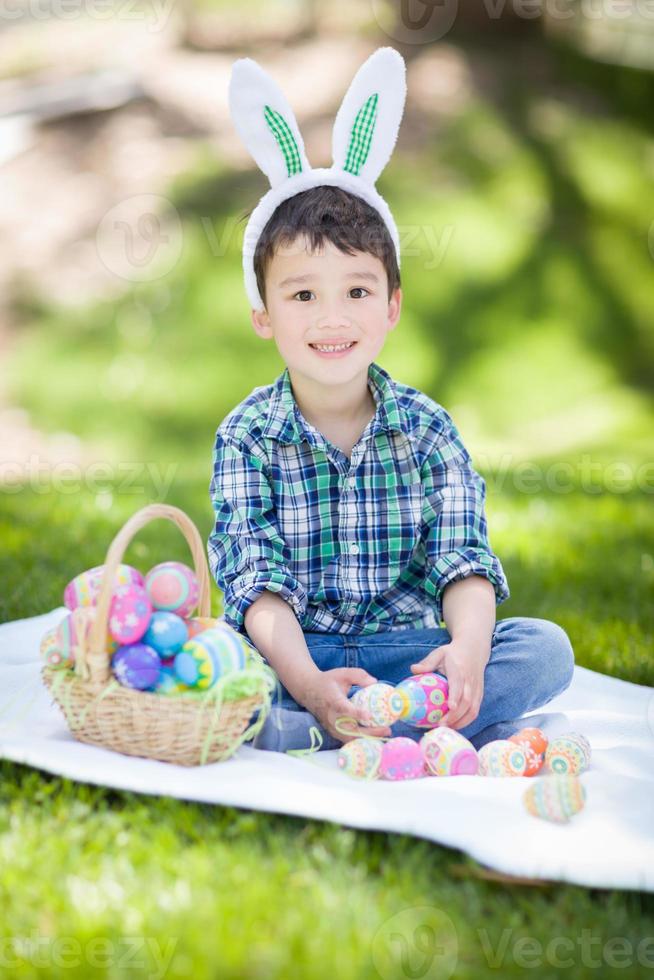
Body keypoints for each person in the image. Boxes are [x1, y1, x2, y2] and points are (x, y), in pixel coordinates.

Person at [207, 48, 574, 753]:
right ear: (264, 315)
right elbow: (255, 579)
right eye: (303, 294)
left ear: (392, 305)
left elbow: (462, 559)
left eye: (357, 290)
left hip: (409, 654)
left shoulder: (428, 430)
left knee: (543, 648)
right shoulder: (248, 435)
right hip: (296, 654)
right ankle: (343, 718)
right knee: (218, 652)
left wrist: (464, 653)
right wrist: (309, 677)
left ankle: (353, 727)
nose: (332, 318)